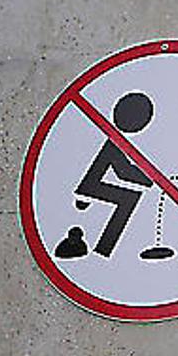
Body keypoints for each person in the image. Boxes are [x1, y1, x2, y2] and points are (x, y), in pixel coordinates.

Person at [74, 92, 154, 257]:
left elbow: (123, 170)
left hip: (91, 186)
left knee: (129, 198)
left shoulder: (115, 140)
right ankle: (103, 248)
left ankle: (103, 248)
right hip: (91, 187)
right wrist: (150, 180)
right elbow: (124, 172)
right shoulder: (115, 143)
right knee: (128, 199)